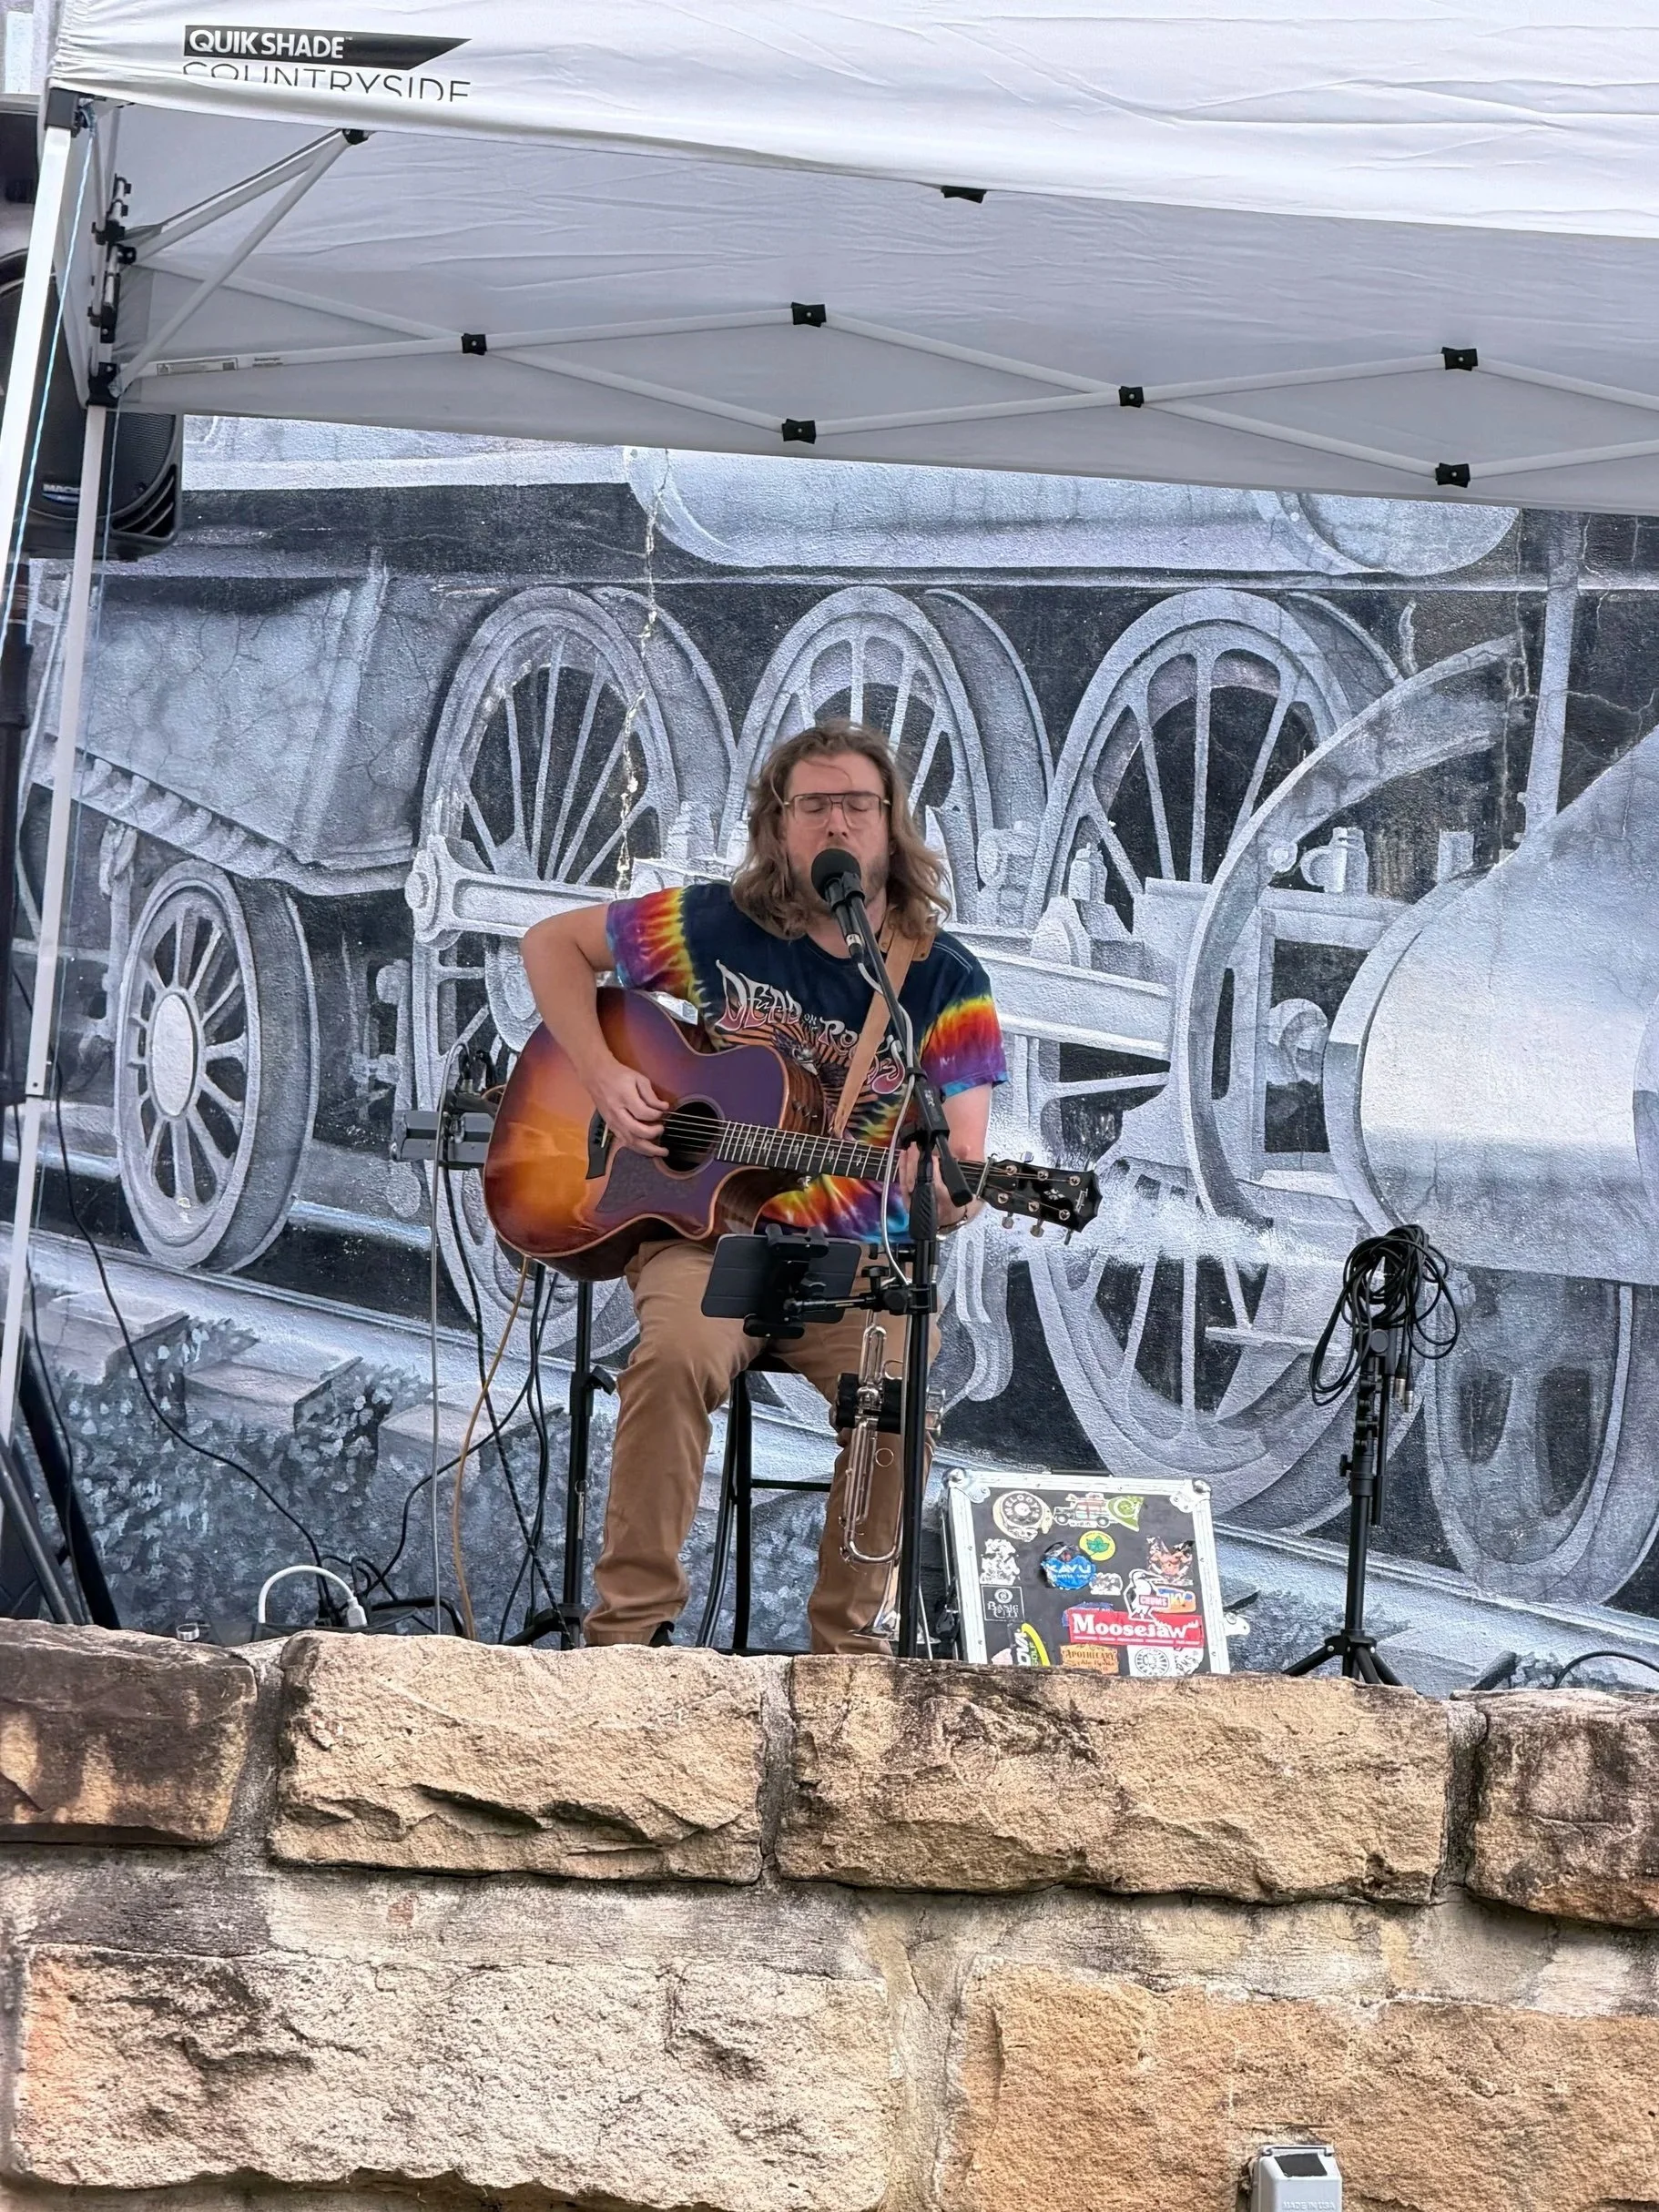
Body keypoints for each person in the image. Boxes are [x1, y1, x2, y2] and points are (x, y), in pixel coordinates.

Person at [520, 718, 1007, 1651]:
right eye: (813, 805)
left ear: (891, 823)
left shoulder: (946, 980)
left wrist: (946, 1190)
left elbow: (961, 1169)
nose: (836, 824)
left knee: (899, 1387)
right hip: (705, 1237)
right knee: (669, 1361)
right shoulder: (715, 925)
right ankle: (627, 1639)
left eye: (856, 805)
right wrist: (600, 1074)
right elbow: (551, 947)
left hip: (853, 1260)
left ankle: (847, 1654)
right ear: (777, 825)